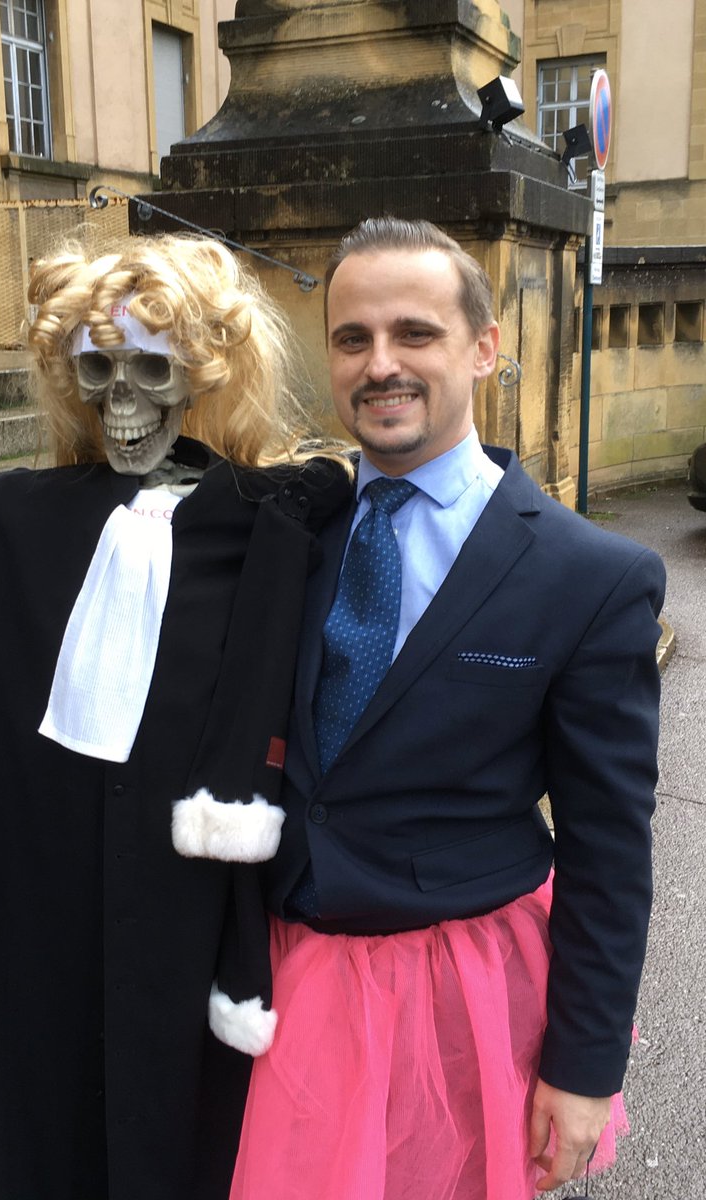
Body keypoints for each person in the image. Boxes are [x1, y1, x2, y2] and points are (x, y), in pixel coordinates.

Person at [0, 235, 351, 1200]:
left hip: (196, 917)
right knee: (45, 1133)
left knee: (199, 1136)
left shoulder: (281, 525)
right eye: (97, 369)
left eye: (152, 369)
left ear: (206, 373)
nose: (122, 398)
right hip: (31, 911)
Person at [230, 218, 666, 1200]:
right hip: (282, 978)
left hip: (455, 996)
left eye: (413, 333)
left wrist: (582, 1066)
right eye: (351, 338)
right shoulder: (289, 534)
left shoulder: (587, 577)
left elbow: (607, 847)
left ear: (482, 348)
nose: (379, 363)